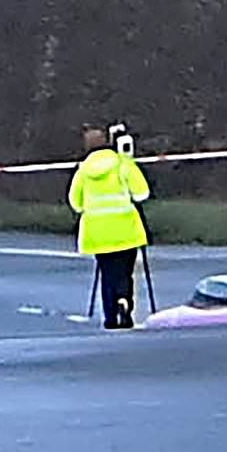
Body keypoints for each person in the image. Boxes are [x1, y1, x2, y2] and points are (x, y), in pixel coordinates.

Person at [68, 127, 151, 329]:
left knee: (107, 273)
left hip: (97, 233)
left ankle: (110, 317)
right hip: (126, 229)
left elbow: (75, 203)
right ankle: (124, 301)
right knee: (125, 271)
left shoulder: (83, 170)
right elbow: (142, 193)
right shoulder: (123, 164)